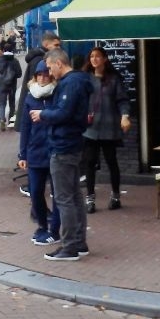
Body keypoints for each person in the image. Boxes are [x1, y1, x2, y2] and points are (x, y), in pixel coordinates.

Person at [30, 48, 91, 261]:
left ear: (58, 63)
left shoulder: (69, 84)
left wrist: (43, 114)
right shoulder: (78, 81)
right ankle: (79, 242)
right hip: (72, 144)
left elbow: (64, 113)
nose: (49, 72)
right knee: (74, 196)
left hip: (63, 146)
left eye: (49, 67)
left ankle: (69, 246)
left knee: (64, 198)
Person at [82, 46, 132, 212]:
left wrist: (125, 116)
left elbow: (123, 100)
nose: (94, 59)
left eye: (97, 56)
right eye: (92, 56)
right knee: (90, 162)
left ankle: (116, 196)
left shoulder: (114, 79)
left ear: (105, 59)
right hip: (90, 127)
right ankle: (90, 199)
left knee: (111, 161)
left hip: (109, 127)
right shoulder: (86, 78)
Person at [17, 61, 62, 246]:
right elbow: (25, 126)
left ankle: (55, 230)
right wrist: (22, 154)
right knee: (35, 192)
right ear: (35, 77)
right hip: (35, 150)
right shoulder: (30, 97)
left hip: (54, 150)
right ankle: (42, 225)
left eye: (46, 74)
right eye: (39, 75)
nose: (43, 78)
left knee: (57, 194)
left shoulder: (57, 94)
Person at [0, 43, 22, 132]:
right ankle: (11, 120)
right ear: (12, 50)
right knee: (12, 103)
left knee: (2, 104)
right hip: (12, 85)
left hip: (2, 85)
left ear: (3, 50)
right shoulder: (15, 61)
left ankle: (2, 119)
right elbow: (19, 74)